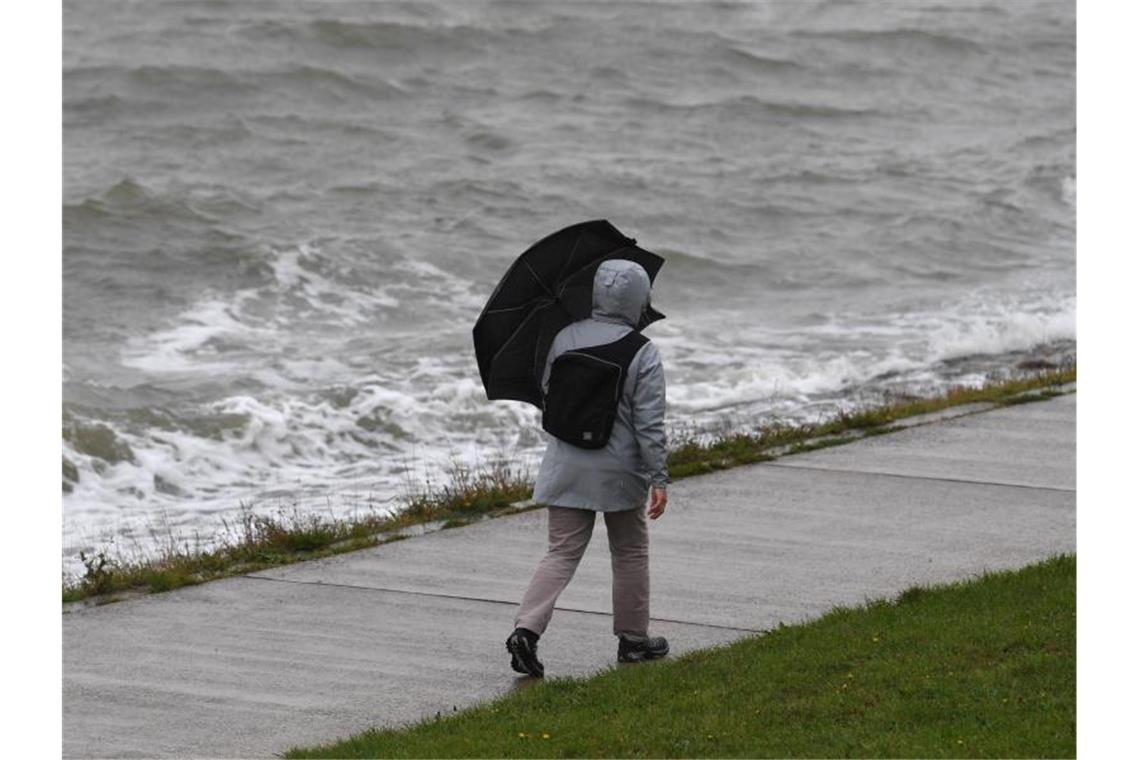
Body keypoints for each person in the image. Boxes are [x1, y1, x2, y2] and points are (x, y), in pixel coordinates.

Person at [506, 258, 670, 678]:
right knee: (630, 551)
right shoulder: (642, 352)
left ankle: (526, 631)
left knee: (560, 553)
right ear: (638, 300)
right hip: (619, 473)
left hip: (566, 466)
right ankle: (633, 641)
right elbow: (649, 424)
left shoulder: (564, 338)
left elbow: (548, 394)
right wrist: (659, 477)